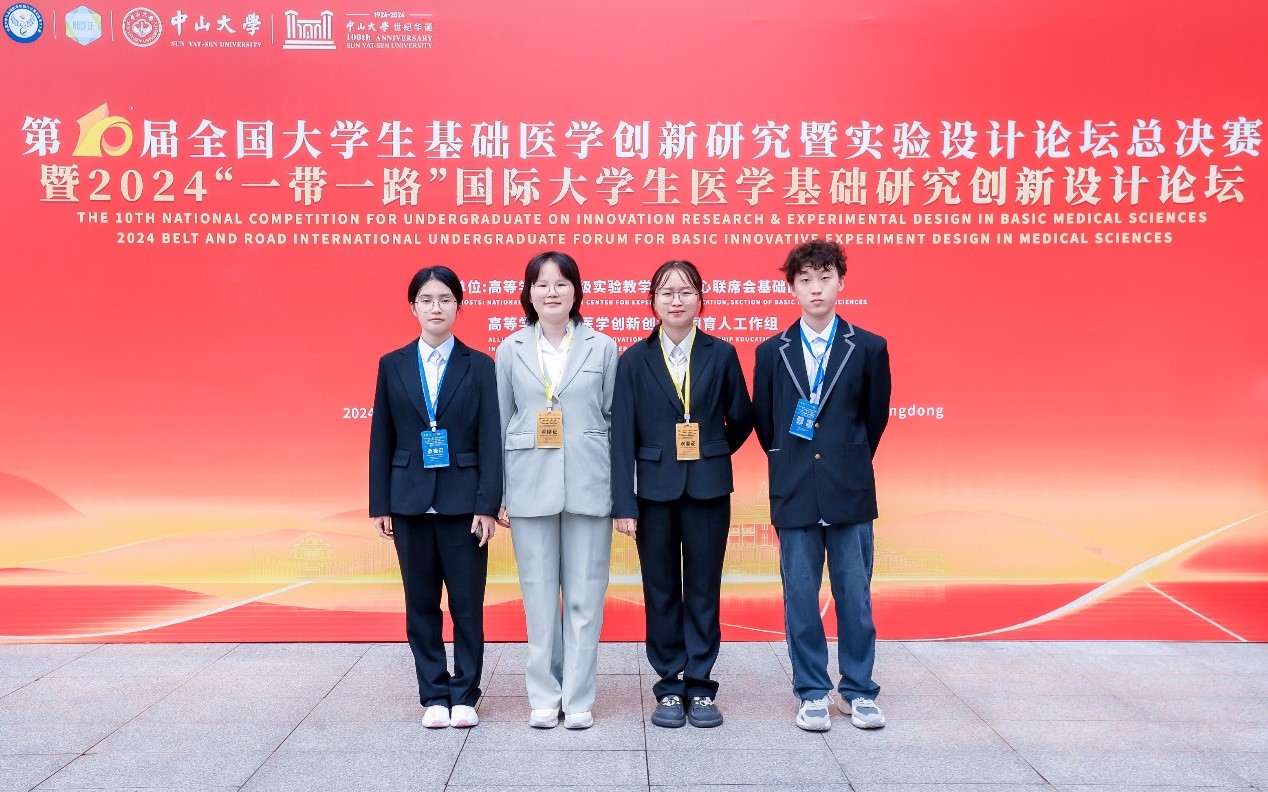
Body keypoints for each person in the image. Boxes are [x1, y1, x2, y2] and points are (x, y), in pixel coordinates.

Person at [751, 239, 891, 732]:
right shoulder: (771, 352)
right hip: (794, 490)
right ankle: (811, 691)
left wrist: (846, 459)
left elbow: (874, 419)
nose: (816, 288)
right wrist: (794, 465)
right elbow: (766, 424)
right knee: (801, 598)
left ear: (841, 283)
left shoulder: (868, 347)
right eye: (805, 279)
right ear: (792, 287)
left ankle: (858, 689)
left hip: (849, 489)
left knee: (855, 596)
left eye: (825, 277)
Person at [611, 260, 754, 729]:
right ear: (653, 301)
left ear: (700, 300)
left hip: (707, 489)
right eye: (667, 292)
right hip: (652, 493)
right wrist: (624, 502)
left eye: (686, 292)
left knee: (704, 588)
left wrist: (713, 450)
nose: (677, 301)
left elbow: (742, 416)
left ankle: (702, 685)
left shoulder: (722, 353)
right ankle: (670, 685)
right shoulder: (633, 360)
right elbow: (622, 436)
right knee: (660, 590)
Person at [369, 266, 502, 730]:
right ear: (413, 308)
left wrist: (488, 505)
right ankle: (433, 693)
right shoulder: (393, 364)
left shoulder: (480, 366)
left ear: (458, 306)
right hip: (408, 502)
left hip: (464, 506)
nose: (436, 308)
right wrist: (380, 503)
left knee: (467, 605)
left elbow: (490, 440)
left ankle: (464, 694)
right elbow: (381, 437)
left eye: (445, 299)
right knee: (421, 604)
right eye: (426, 300)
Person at [495, 250, 619, 730]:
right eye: (542, 284)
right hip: (529, 485)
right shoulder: (510, 350)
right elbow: (501, 422)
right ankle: (544, 694)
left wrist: (619, 491)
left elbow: (612, 419)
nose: (552, 292)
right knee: (539, 598)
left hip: (589, 483)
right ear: (528, 293)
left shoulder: (602, 347)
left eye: (561, 283)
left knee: (586, 596)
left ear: (576, 291)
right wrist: (500, 494)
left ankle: (579, 696)